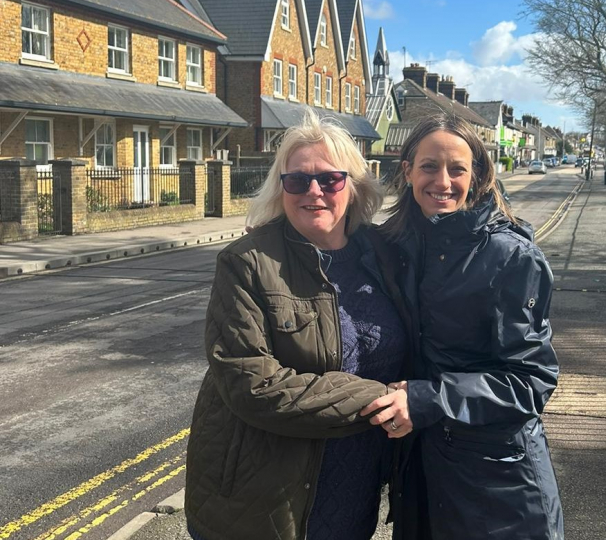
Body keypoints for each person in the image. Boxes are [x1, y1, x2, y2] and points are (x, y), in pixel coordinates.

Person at [185, 111, 410, 540]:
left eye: (329, 180)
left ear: (355, 186)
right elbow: (252, 385)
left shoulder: (384, 255)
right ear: (281, 187)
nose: (313, 192)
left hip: (354, 489)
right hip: (263, 500)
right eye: (297, 181)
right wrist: (384, 400)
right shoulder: (247, 263)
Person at [362, 113, 564, 539]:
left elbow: (532, 380)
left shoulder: (511, 257)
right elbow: (330, 241)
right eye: (430, 166)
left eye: (457, 169)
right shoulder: (397, 245)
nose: (443, 181)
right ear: (407, 171)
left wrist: (429, 399)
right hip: (421, 473)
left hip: (499, 486)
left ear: (476, 176)